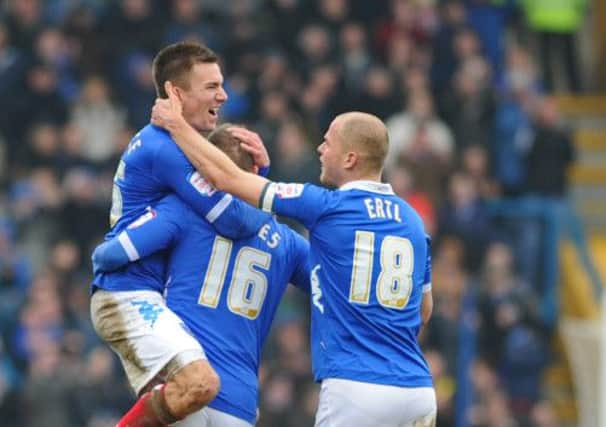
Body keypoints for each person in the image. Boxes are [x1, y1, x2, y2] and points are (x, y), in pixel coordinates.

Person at [151, 82, 437, 426]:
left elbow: (226, 178)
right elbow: (423, 309)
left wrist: (176, 126)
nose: (320, 148)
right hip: (418, 389)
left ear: (350, 158)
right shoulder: (413, 222)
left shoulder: (328, 206)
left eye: (328, 141)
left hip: (357, 387)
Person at [90, 42, 271, 427]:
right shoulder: (163, 149)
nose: (223, 95)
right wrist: (263, 188)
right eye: (211, 86)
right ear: (175, 93)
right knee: (201, 384)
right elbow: (234, 220)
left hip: (148, 296)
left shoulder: (175, 145)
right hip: (126, 294)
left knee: (189, 401)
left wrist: (259, 174)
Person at [92, 125, 311, 427]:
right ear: (255, 170)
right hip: (240, 399)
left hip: (185, 377)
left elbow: (114, 254)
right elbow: (329, 285)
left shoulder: (184, 210)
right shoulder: (288, 243)